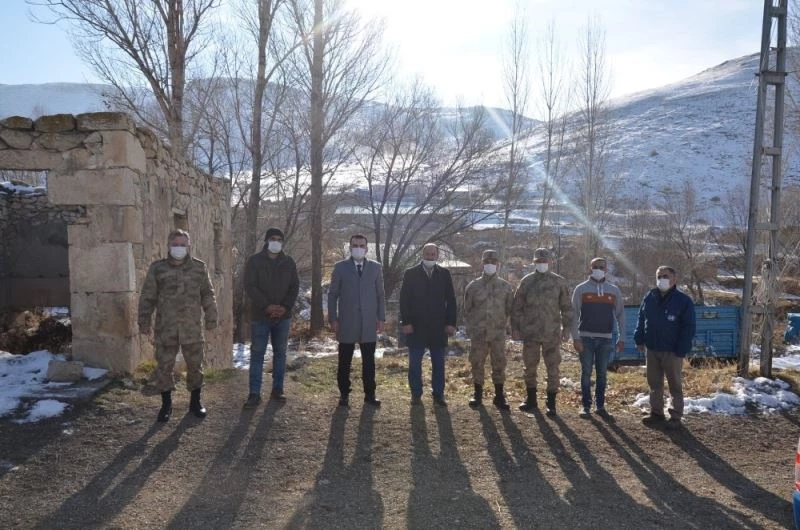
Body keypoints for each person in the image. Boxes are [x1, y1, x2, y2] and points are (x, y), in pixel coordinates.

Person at [138, 229, 218, 422]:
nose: (179, 248)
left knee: (195, 365)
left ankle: (195, 402)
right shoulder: (158, 268)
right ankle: (166, 405)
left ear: (188, 246)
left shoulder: (199, 268)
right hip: (166, 327)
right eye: (175, 244)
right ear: (169, 245)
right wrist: (144, 321)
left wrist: (211, 318)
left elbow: (208, 294)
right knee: (164, 366)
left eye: (183, 244)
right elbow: (148, 297)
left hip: (192, 327)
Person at [243, 227, 300, 408]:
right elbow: (250, 286)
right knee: (257, 354)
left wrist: (284, 307)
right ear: (267, 241)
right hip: (260, 315)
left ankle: (278, 389)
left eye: (279, 239)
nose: (276, 242)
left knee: (280, 353)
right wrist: (266, 306)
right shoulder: (254, 261)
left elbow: (294, 286)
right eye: (273, 239)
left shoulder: (289, 262)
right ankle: (254, 393)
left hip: (283, 316)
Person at [511, 248, 572, 416]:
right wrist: (515, 328)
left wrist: (567, 329)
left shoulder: (559, 282)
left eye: (545, 261)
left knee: (553, 368)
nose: (542, 264)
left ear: (551, 262)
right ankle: (531, 400)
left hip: (552, 333)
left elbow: (567, 308)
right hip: (530, 333)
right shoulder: (526, 282)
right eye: (538, 261)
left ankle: (551, 403)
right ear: (534, 262)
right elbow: (517, 307)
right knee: (529, 367)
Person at [634, 265, 696, 429]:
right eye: (659, 276)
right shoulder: (650, 297)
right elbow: (642, 319)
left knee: (675, 384)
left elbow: (688, 327)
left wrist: (682, 348)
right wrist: (639, 338)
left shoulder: (683, 301)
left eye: (666, 276)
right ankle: (656, 413)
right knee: (654, 383)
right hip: (652, 348)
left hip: (672, 351)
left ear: (674, 279)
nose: (662, 279)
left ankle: (675, 415)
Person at [328, 234, 386, 408]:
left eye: (361, 245)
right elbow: (332, 295)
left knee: (369, 361)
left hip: (368, 322)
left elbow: (380, 295)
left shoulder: (376, 267)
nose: (358, 248)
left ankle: (370, 394)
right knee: (344, 361)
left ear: (367, 248)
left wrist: (381, 318)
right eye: (355, 245)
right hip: (346, 322)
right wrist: (333, 319)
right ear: (350, 247)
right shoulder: (340, 267)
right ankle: (344, 394)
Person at [399, 243, 457, 406]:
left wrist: (451, 323)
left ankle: (438, 394)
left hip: (438, 327)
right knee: (414, 363)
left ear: (437, 256)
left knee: (438, 363)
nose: (430, 257)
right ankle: (416, 394)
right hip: (416, 326)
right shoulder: (410, 273)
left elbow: (451, 300)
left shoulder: (444, 274)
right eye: (427, 254)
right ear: (422, 254)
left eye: (433, 254)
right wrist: (406, 322)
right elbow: (404, 300)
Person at [571, 257, 625, 419]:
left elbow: (621, 315)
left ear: (606, 269)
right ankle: (586, 406)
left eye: (601, 267)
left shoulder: (614, 290)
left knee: (602, 373)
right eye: (595, 266)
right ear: (590, 268)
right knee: (586, 372)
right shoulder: (581, 289)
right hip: (585, 338)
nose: (598, 269)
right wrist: (575, 338)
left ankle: (600, 406)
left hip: (605, 339)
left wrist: (622, 338)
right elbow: (574, 314)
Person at [463, 249, 514, 410]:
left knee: (499, 363)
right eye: (487, 262)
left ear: (498, 264)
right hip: (479, 333)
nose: (490, 264)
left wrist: (510, 328)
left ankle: (499, 396)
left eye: (493, 262)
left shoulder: (505, 287)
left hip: (498, 333)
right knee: (477, 362)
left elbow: (510, 309)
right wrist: (471, 327)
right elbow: (467, 309)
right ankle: (477, 394)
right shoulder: (473, 286)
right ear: (482, 263)